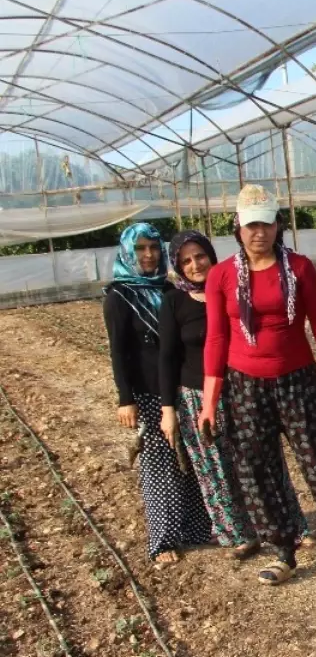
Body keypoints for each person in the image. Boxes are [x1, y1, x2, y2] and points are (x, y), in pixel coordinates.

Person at [202, 184, 316, 586]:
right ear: (238, 227)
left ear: (278, 224)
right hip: (245, 385)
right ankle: (283, 549)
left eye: (265, 223)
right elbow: (216, 339)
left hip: (298, 381)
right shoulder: (222, 276)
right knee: (258, 470)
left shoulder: (299, 268)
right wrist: (210, 403)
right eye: (250, 225)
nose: (258, 232)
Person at [159, 230, 309, 560]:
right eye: (186, 260)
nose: (195, 264)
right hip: (197, 395)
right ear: (177, 266)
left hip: (243, 386)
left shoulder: (234, 285)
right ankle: (238, 533)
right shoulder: (174, 301)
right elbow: (167, 357)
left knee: (263, 460)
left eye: (200, 256)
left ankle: (292, 526)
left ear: (212, 255)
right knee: (214, 468)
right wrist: (168, 408)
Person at [103, 222, 212, 563]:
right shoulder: (119, 297)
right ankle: (163, 540)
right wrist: (126, 398)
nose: (148, 255)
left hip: (179, 387)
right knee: (159, 464)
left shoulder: (169, 290)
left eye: (153, 247)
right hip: (147, 393)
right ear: (127, 253)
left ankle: (198, 529)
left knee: (192, 461)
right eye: (140, 249)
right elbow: (118, 352)